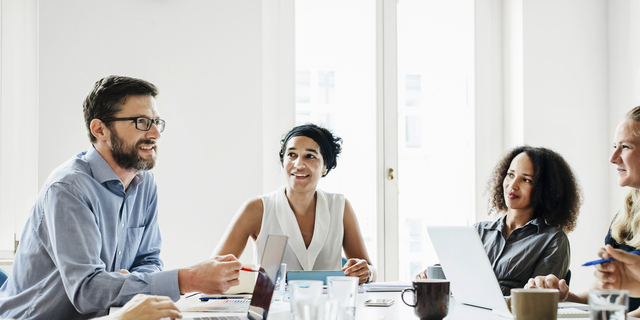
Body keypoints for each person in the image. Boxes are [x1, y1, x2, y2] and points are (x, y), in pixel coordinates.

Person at [0, 76, 242, 320]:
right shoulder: (68, 189)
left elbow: (149, 259)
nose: (156, 133)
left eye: (156, 121)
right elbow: (87, 291)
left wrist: (128, 283)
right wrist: (188, 279)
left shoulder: (144, 182)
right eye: (141, 122)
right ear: (100, 129)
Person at [212, 124, 375, 284]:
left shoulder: (340, 207)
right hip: (273, 308)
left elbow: (368, 269)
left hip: (328, 307)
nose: (298, 164)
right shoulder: (256, 209)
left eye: (310, 156)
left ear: (325, 166)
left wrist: (365, 272)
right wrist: (257, 276)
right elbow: (214, 270)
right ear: (283, 161)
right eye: (291, 154)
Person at [417, 146, 582, 296]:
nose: (512, 185)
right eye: (510, 175)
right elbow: (450, 274)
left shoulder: (553, 240)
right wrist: (429, 276)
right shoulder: (479, 231)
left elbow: (538, 299)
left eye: (526, 180)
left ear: (545, 190)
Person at [526, 106, 640, 316]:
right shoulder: (624, 218)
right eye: (614, 146)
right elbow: (603, 297)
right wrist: (563, 296)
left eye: (625, 147)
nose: (613, 158)